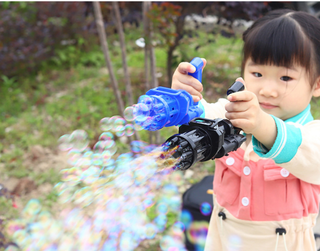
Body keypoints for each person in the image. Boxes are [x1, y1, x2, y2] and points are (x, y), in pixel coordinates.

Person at [171, 9, 320, 251]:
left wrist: (261, 124)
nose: (267, 90)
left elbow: (306, 153)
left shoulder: (313, 136)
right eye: (257, 73)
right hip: (223, 241)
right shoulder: (232, 113)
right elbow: (201, 119)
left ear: (316, 84)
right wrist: (185, 100)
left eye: (285, 78)